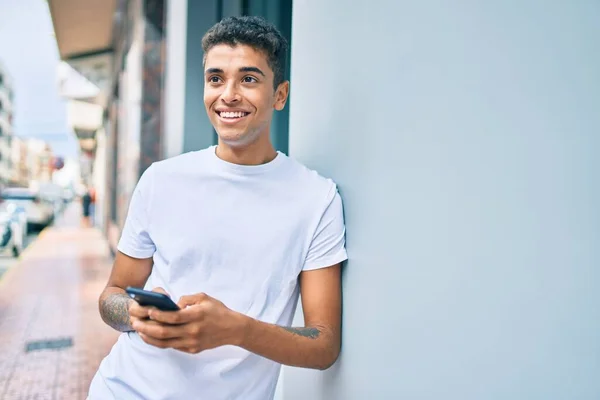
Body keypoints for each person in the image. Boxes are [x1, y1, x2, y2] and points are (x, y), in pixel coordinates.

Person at [88, 16, 347, 400]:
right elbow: (112, 294)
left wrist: (236, 329)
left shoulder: (317, 198)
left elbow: (324, 344)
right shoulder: (161, 179)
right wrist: (134, 315)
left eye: (248, 79)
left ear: (280, 95)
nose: (228, 94)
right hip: (124, 389)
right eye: (215, 78)